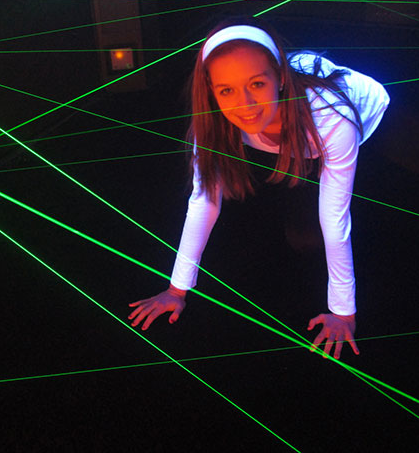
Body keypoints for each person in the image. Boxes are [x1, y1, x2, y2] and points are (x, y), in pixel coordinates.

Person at [128, 18, 389, 359]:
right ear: (212, 91)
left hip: (370, 115)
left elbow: (335, 216)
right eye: (227, 90)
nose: (245, 105)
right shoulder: (217, 122)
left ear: (279, 79)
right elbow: (204, 201)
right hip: (300, 133)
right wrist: (176, 291)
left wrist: (344, 312)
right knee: (302, 236)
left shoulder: (331, 118)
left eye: (256, 83)